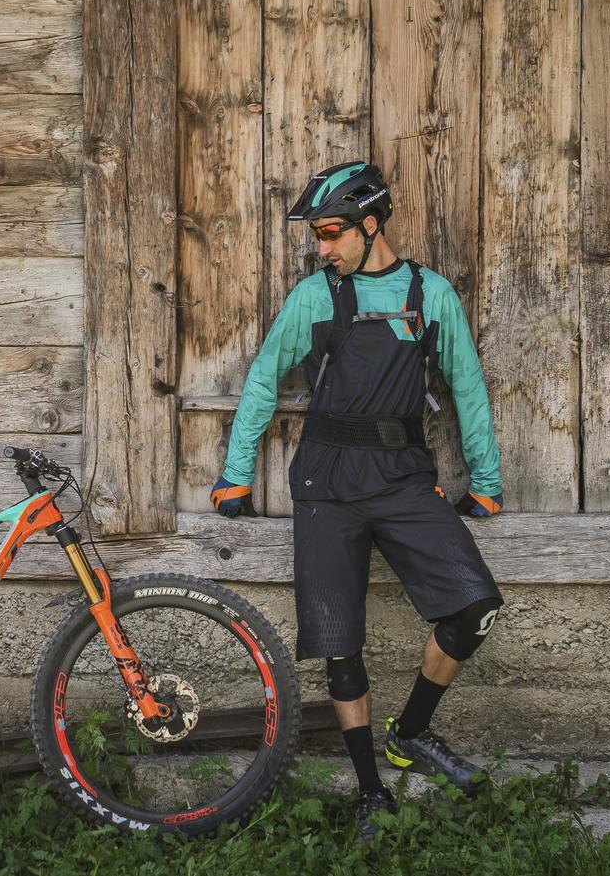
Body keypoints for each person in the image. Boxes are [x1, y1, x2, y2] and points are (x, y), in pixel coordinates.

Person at [209, 161, 506, 840]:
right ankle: (372, 789)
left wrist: (483, 482)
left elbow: (467, 388)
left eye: (334, 232)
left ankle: (411, 733)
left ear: (373, 224)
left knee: (476, 606)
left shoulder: (431, 295)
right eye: (319, 234)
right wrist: (236, 473)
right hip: (326, 484)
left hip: (404, 477)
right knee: (342, 646)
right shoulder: (313, 298)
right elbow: (263, 379)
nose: (324, 247)